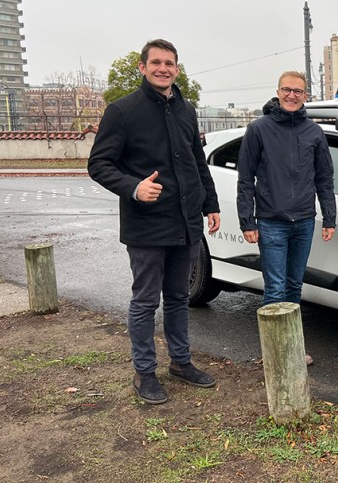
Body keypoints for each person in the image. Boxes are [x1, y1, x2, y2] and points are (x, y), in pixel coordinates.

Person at [88, 39, 221, 405]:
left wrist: (210, 204)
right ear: (143, 68)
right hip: (146, 224)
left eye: (170, 63)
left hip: (186, 221)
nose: (164, 68)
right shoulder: (122, 110)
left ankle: (181, 362)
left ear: (177, 69)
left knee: (179, 297)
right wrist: (133, 187)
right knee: (145, 300)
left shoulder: (186, 109)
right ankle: (144, 372)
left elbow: (197, 161)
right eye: (157, 63)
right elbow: (98, 164)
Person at [236, 71, 336, 365]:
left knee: (294, 287)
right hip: (271, 221)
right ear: (278, 92)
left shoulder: (314, 133)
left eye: (299, 91)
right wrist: (247, 221)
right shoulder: (258, 129)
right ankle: (276, 354)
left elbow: (325, 178)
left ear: (306, 96)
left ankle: (291, 348)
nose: (292, 95)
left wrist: (329, 217)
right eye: (287, 90)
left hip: (304, 221)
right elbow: (245, 179)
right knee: (275, 288)